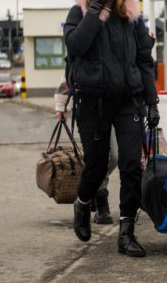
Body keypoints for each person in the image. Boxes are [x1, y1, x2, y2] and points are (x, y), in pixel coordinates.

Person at [64, 0, 159, 257]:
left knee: (132, 165)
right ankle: (82, 205)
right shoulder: (79, 12)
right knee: (96, 165)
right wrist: (93, 13)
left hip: (127, 102)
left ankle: (126, 231)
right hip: (91, 102)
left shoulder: (131, 19)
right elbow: (76, 46)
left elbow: (144, 61)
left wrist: (151, 101)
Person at [54, 76, 117, 225]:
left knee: (115, 157)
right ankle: (101, 203)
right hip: (91, 107)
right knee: (99, 157)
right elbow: (69, 73)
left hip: (117, 105)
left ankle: (92, 189)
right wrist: (61, 104)